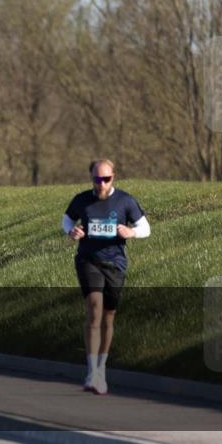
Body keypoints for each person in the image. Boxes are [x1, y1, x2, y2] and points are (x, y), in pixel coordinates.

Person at [63, 159, 150, 396]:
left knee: (108, 317)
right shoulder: (82, 200)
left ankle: (101, 369)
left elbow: (146, 228)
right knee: (94, 309)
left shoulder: (125, 201)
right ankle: (91, 372)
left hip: (115, 264)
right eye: (96, 179)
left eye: (106, 179)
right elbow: (67, 219)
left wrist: (131, 232)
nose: (101, 184)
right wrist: (72, 231)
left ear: (113, 177)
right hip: (88, 260)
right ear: (91, 178)